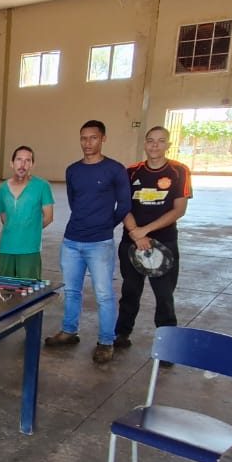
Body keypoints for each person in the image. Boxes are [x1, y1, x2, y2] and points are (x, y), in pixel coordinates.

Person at [44, 120, 131, 364]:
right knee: (71, 291)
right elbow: (74, 201)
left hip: (99, 243)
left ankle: (106, 341)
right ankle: (69, 331)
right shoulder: (73, 170)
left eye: (93, 138)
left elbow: (124, 204)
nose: (87, 143)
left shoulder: (115, 169)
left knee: (104, 295)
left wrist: (106, 225)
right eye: (83, 138)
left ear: (103, 139)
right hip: (71, 241)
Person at [115, 126, 192, 354]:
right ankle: (122, 333)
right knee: (130, 292)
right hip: (132, 243)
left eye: (160, 141)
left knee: (164, 297)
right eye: (150, 140)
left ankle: (168, 346)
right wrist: (135, 232)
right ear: (145, 144)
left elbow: (179, 210)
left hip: (164, 244)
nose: (154, 145)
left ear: (168, 145)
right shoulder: (131, 172)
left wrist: (145, 231)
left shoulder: (179, 171)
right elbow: (123, 206)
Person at [0, 146, 55, 279]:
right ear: (11, 163)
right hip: (5, 249)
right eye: (19, 159)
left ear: (32, 164)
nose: (23, 164)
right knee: (5, 292)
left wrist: (30, 228)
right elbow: (4, 218)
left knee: (29, 293)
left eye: (28, 160)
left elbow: (48, 217)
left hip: (30, 251)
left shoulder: (42, 186)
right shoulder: (3, 188)